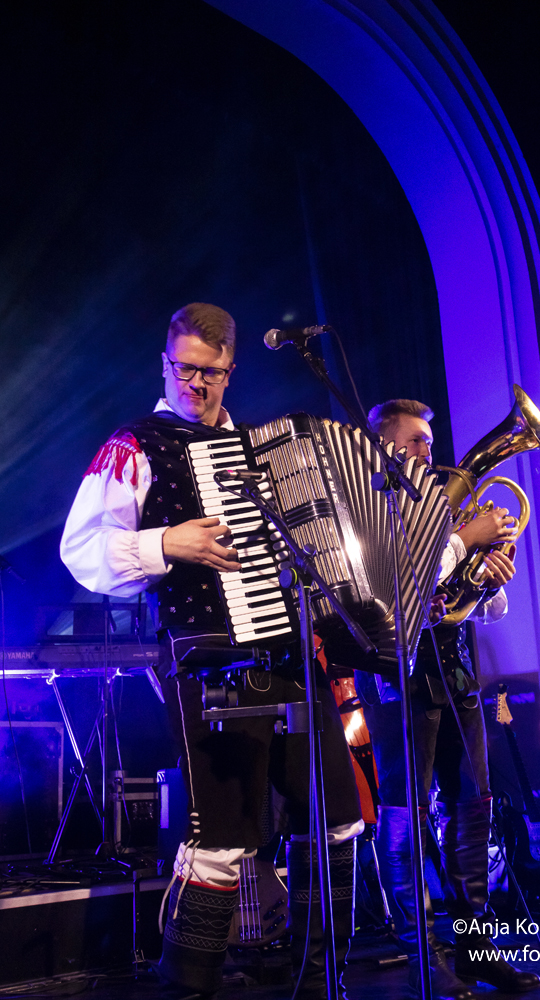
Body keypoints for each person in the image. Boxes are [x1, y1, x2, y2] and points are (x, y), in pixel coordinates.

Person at [61, 303, 363, 999]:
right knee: (223, 836)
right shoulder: (136, 445)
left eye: (211, 372)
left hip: (291, 657)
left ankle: (319, 978)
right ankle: (187, 986)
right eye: (185, 369)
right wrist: (167, 542)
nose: (196, 384)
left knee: (335, 818)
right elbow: (81, 549)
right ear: (165, 364)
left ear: (231, 370)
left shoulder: (268, 449)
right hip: (208, 662)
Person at [353, 399, 540, 999]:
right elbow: (397, 584)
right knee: (406, 811)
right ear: (385, 446)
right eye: (415, 441)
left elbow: (467, 604)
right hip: (397, 679)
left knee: (472, 806)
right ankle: (422, 955)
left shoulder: (440, 507)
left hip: (455, 674)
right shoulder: (366, 507)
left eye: (429, 442)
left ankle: (476, 950)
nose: (428, 453)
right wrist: (464, 540)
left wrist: (489, 579)